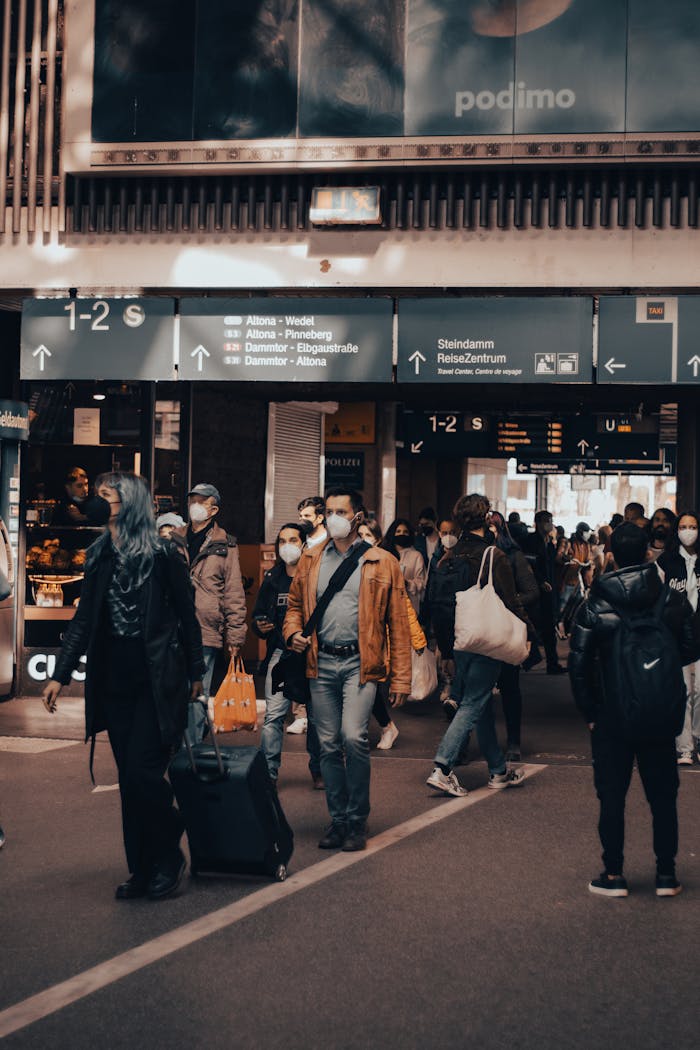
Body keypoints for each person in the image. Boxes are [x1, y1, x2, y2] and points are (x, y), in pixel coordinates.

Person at [41, 472, 205, 900]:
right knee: (129, 782)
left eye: (105, 497)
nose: (95, 503)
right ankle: (142, 867)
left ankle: (169, 851)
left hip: (156, 680)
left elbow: (188, 618)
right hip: (114, 682)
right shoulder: (98, 554)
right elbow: (83, 620)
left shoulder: (164, 553)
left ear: (128, 504)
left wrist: (197, 674)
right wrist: (60, 673)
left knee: (141, 773)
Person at [569, 523, 696, 898]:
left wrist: (590, 711)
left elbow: (578, 665)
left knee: (611, 796)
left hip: (611, 715)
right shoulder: (669, 599)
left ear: (611, 552)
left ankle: (613, 875)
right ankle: (666, 876)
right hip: (658, 714)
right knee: (663, 797)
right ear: (647, 554)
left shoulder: (596, 602)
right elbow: (690, 646)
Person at [284, 487, 411, 852]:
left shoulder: (381, 561)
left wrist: (401, 677)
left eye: (341, 511)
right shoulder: (310, 559)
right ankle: (337, 820)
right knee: (327, 743)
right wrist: (293, 632)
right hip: (320, 663)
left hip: (360, 663)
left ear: (359, 517)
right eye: (328, 510)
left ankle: (357, 820)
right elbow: (294, 607)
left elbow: (398, 624)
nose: (333, 517)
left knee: (354, 737)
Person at [427, 493, 530, 797]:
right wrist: (529, 637)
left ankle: (497, 771)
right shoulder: (492, 555)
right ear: (486, 519)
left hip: (460, 639)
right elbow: (511, 602)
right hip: (485, 637)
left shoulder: (447, 556)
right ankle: (442, 767)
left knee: (480, 702)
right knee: (473, 702)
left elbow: (438, 603)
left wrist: (446, 648)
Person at [171, 483, 247, 744]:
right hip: (172, 628)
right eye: (192, 499)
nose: (195, 505)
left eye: (201, 501)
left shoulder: (225, 545)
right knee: (172, 691)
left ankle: (188, 752)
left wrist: (235, 636)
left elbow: (234, 592)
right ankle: (176, 744)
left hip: (205, 629)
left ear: (213, 509)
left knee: (195, 693)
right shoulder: (173, 538)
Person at [252, 523, 323, 788]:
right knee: (273, 717)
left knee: (316, 717)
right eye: (282, 541)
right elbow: (259, 614)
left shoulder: (316, 575)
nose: (287, 546)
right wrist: (260, 625)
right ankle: (269, 773)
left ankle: (319, 770)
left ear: (304, 543)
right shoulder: (272, 578)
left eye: (293, 540)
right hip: (281, 656)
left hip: (312, 655)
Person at [360, 513, 429, 750]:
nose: (362, 539)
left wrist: (418, 639)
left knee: (369, 689)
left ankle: (386, 726)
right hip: (353, 640)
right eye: (359, 535)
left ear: (378, 540)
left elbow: (403, 607)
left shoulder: (386, 564)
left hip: (378, 641)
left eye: (367, 535)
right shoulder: (342, 564)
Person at [489, 510, 539, 761]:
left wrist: (507, 603)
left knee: (509, 687)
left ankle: (513, 742)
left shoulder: (512, 556)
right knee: (475, 690)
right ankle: (466, 743)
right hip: (479, 628)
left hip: (505, 628)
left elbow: (532, 590)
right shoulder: (471, 553)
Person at [658, 512, 700, 765]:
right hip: (676, 635)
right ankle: (684, 746)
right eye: (683, 526)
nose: (688, 531)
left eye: (693, 526)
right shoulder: (667, 562)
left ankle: (699, 737)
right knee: (682, 692)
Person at [523, 509, 566, 673]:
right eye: (548, 520)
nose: (550, 524)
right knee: (532, 627)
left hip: (549, 592)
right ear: (539, 523)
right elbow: (529, 566)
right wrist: (540, 581)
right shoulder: (530, 541)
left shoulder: (549, 542)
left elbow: (554, 562)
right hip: (535, 592)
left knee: (548, 629)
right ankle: (528, 658)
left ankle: (552, 664)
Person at [381, 518, 426, 614]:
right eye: (398, 531)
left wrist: (407, 583)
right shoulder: (384, 554)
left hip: (408, 607)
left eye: (405, 532)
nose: (402, 534)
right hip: (386, 605)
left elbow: (421, 583)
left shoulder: (416, 556)